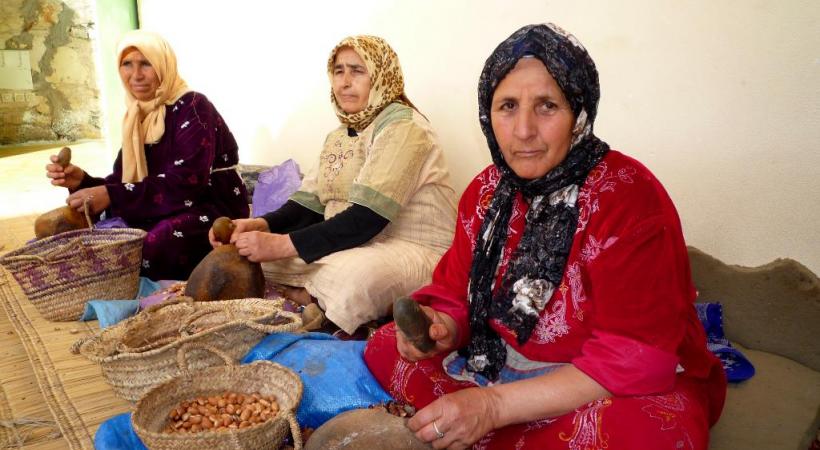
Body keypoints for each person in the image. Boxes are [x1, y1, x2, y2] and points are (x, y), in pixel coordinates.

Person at [363, 23, 727, 449]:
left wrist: (493, 407)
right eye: (508, 106)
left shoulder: (627, 197)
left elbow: (634, 356)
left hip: (594, 380)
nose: (523, 131)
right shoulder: (485, 193)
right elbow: (454, 292)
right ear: (487, 112)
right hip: (503, 358)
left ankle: (492, 424)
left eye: (547, 106)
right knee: (385, 344)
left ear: (579, 112)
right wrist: (442, 326)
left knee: (653, 431)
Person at [212, 36, 457, 336]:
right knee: (252, 257)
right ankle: (317, 302)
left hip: (412, 249)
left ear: (382, 76)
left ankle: (318, 301)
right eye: (338, 71)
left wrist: (280, 244)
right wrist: (261, 225)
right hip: (357, 243)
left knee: (351, 279)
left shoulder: (406, 128)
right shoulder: (339, 136)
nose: (344, 82)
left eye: (357, 70)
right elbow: (310, 204)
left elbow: (367, 218)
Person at [45, 30, 249, 281]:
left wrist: (110, 194)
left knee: (153, 244)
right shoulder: (137, 116)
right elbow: (124, 181)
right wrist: (83, 182)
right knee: (84, 240)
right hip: (165, 205)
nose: (136, 75)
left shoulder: (193, 106)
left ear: (163, 65)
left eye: (146, 64)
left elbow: (188, 182)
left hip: (210, 205)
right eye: (127, 64)